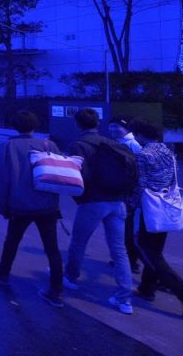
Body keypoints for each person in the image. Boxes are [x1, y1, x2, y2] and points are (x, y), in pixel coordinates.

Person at [0, 110, 65, 307]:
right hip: (47, 204)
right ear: (35, 125)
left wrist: (3, 206)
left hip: (20, 204)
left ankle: (4, 271)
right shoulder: (49, 144)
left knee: (12, 239)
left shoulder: (9, 146)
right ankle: (55, 291)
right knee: (52, 248)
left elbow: (3, 180)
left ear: (14, 125)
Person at [63, 108, 136, 315]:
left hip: (93, 202)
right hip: (118, 202)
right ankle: (124, 299)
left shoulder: (78, 145)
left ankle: (71, 278)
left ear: (78, 124)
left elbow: (77, 176)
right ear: (98, 123)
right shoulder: (113, 144)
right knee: (119, 250)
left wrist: (81, 198)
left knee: (79, 243)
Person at [130, 121, 183, 316]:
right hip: (166, 205)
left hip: (151, 206)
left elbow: (141, 183)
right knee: (155, 250)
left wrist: (131, 204)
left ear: (141, 135)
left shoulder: (143, 155)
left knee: (144, 248)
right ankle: (146, 289)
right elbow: (173, 178)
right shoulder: (168, 151)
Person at [108, 116, 143, 275]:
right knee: (122, 227)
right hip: (121, 192)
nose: (113, 129)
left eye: (117, 127)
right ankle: (127, 258)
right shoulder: (121, 143)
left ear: (127, 129)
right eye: (111, 126)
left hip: (128, 194)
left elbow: (137, 172)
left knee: (126, 228)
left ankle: (132, 261)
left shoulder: (133, 145)